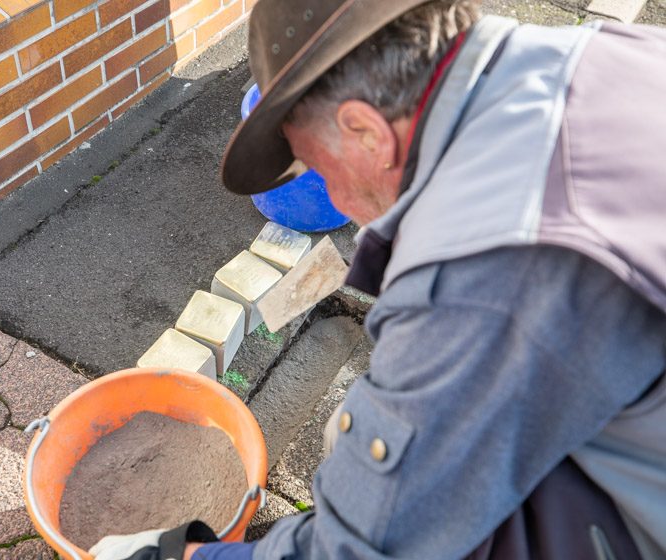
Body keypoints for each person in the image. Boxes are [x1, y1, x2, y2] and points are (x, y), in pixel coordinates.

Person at [90, 0, 666, 558]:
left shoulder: (481, 278)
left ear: (366, 130)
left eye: (315, 167)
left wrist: (180, 556)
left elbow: (357, 550)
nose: (333, 197)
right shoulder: (608, 53)